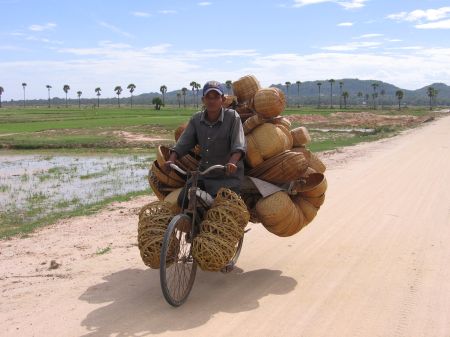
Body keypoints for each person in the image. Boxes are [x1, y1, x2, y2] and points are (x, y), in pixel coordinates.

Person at [164, 80, 246, 206]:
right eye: (208, 97)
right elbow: (183, 143)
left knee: (222, 210)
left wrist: (232, 162)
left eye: (216, 97)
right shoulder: (197, 119)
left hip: (227, 175)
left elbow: (239, 143)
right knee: (183, 200)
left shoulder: (232, 117)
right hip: (205, 174)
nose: (212, 101)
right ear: (203, 99)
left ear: (222, 99)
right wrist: (172, 159)